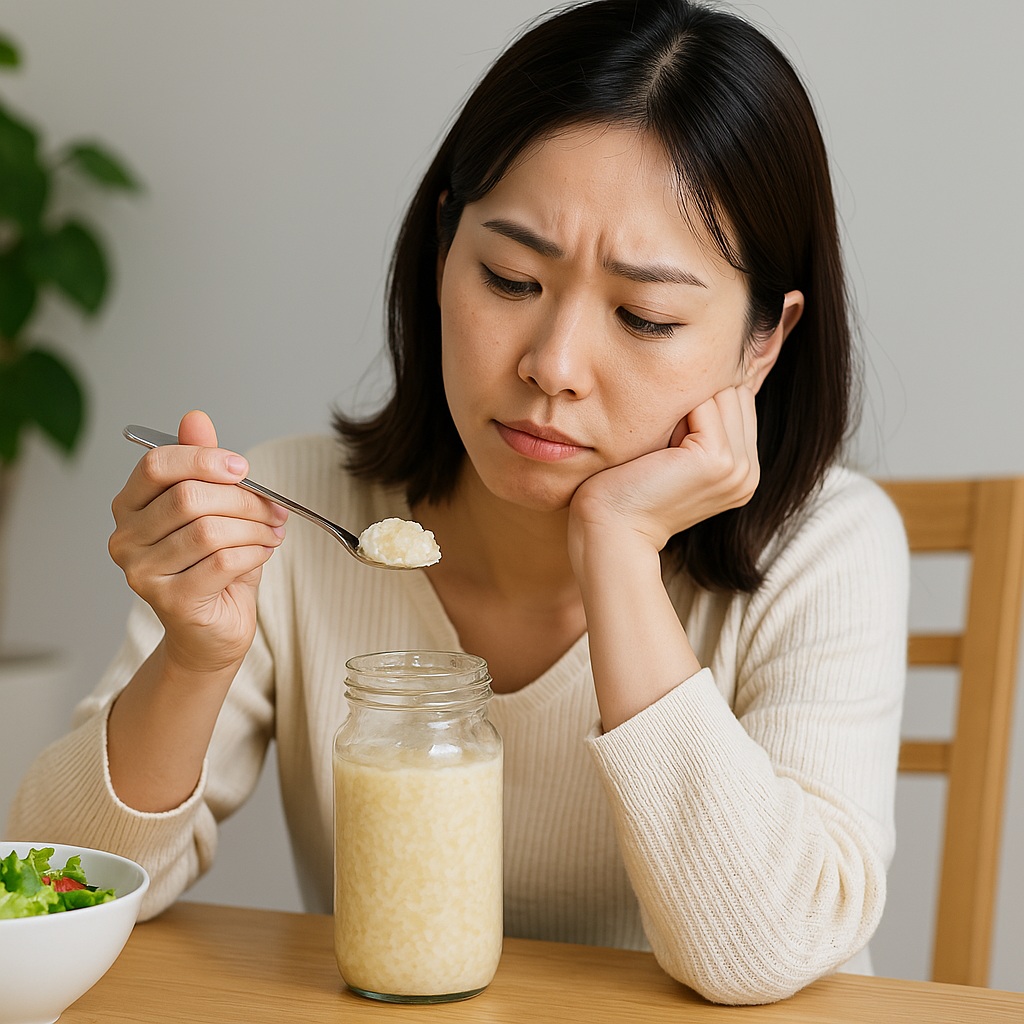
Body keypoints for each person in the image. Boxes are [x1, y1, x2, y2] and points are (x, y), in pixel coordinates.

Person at [7, 0, 908, 1006]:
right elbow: (53, 885)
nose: (554, 365)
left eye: (643, 316)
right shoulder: (298, 512)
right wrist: (193, 657)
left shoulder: (828, 551)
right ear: (443, 245)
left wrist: (614, 547)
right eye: (511, 277)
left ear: (762, 340)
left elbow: (762, 951)